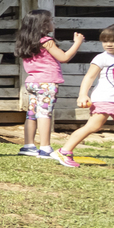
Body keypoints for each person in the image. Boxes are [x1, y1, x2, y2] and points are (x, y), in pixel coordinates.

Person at [13, 10, 83, 158]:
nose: (53, 23)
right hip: (47, 83)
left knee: (31, 114)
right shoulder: (47, 41)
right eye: (51, 20)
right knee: (45, 114)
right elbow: (63, 57)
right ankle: (45, 148)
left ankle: (28, 146)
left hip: (32, 82)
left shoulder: (26, 42)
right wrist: (77, 43)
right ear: (43, 25)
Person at [54, 25, 114, 167]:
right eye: (105, 41)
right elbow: (89, 77)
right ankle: (64, 151)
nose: (109, 44)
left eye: (112, 41)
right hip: (105, 98)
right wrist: (82, 95)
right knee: (92, 126)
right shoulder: (102, 58)